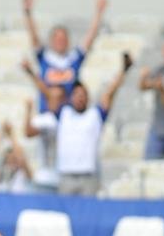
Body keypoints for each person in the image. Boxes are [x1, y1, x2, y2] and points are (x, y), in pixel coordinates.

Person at [24, 61, 129, 197]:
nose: (79, 98)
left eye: (82, 95)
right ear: (71, 98)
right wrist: (32, 73)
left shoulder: (94, 115)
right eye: (77, 94)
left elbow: (110, 94)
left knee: (88, 213)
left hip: (88, 175)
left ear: (87, 97)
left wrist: (123, 71)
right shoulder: (64, 114)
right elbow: (48, 95)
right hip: (66, 175)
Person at [21, 0, 105, 107]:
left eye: (63, 39)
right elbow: (34, 38)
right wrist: (28, 13)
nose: (60, 42)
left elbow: (90, 38)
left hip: (68, 116)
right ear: (51, 41)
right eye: (57, 39)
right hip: (47, 113)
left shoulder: (74, 58)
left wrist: (99, 12)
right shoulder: (45, 58)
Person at [22, 85, 66, 193]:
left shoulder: (70, 119)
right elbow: (28, 132)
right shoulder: (46, 119)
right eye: (50, 98)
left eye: (58, 98)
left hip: (66, 179)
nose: (54, 101)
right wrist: (28, 110)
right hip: (45, 177)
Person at [0, 122, 33, 193]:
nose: (12, 162)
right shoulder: (2, 176)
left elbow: (22, 158)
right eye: (9, 159)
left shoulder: (23, 175)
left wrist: (11, 135)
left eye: (14, 159)